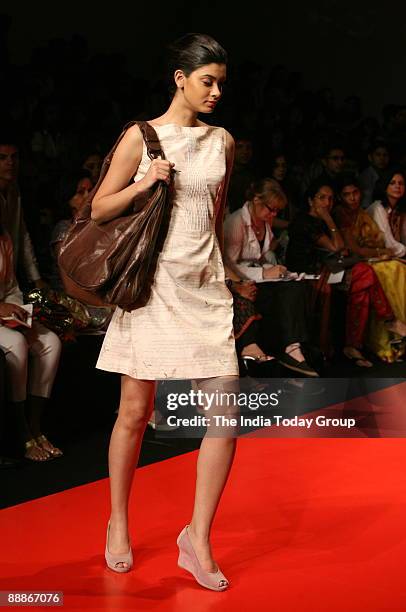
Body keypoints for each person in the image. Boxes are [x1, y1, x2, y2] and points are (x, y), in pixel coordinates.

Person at [90, 33, 240, 590]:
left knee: (225, 415)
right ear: (180, 77)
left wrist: (228, 274)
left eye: (222, 82)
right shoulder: (142, 136)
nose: (216, 91)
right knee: (134, 411)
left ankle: (196, 539)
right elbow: (99, 208)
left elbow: (216, 213)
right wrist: (144, 183)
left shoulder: (222, 141)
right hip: (152, 290)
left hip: (206, 290)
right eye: (208, 81)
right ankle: (118, 521)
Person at [286, 179, 401, 365]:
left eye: (330, 199)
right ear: (310, 201)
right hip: (310, 273)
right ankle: (386, 322)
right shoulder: (305, 221)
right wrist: (329, 219)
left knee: (362, 286)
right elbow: (337, 246)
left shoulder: (323, 221)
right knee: (365, 272)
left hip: (329, 269)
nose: (327, 203)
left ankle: (354, 346)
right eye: (321, 198)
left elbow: (339, 249)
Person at [224, 178, 318, 376]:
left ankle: (293, 345)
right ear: (257, 200)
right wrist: (263, 273)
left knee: (295, 287)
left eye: (277, 211)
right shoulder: (235, 222)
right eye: (271, 209)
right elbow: (227, 264)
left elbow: (262, 256)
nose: (274, 214)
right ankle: (285, 347)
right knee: (279, 294)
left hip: (260, 276)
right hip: (240, 281)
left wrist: (278, 270)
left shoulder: (264, 222)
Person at [0, 220, 62, 461]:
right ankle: (22, 433)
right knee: (16, 345)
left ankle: (36, 427)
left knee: (51, 343)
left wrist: (17, 310)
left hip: (6, 315)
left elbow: (11, 286)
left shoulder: (3, 235)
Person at [334, 174, 406, 363]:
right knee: (374, 273)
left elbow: (375, 243)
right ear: (340, 197)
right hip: (340, 266)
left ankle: (355, 345)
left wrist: (379, 252)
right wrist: (379, 252)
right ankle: (389, 324)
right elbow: (354, 249)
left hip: (361, 263)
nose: (352, 198)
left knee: (369, 281)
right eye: (347, 194)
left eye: (355, 193)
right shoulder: (342, 213)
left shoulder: (361, 213)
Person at [0, 135, 46, 289]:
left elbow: (21, 233)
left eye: (14, 157)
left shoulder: (14, 190)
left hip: (9, 276)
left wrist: (36, 277)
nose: (10, 162)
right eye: (2, 158)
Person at [367, 168, 406, 258]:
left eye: (401, 183)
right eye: (392, 183)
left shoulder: (400, 209)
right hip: (374, 256)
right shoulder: (377, 207)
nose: (397, 186)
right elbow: (389, 244)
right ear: (384, 186)